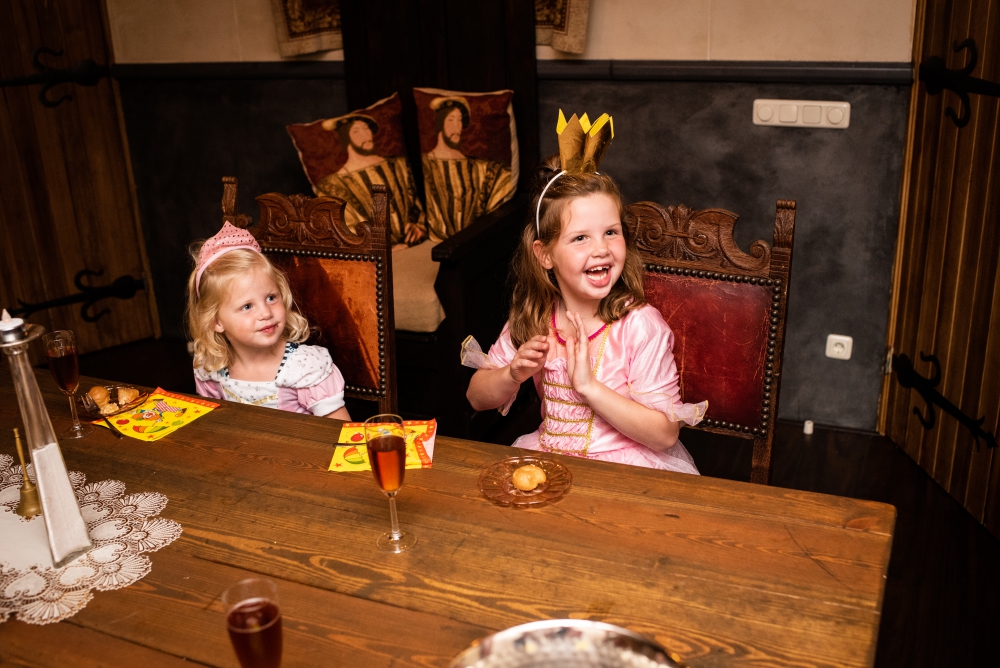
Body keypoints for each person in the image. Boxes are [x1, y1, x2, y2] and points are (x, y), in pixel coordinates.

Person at [465, 145, 706, 473]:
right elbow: (476, 398)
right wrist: (512, 373)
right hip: (550, 462)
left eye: (611, 232)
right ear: (545, 254)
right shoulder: (535, 317)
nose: (601, 249)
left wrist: (590, 388)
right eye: (581, 238)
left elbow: (665, 435)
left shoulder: (638, 326)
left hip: (626, 470)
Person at [186, 222, 351, 419]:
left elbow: (342, 431)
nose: (266, 313)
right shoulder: (211, 366)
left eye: (271, 297)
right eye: (247, 306)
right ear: (216, 322)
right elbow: (214, 424)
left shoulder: (303, 368)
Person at [316, 114, 426, 245]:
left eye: (366, 129)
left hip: (413, 244)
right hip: (373, 257)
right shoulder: (332, 185)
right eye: (356, 131)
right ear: (346, 138)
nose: (366, 135)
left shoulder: (398, 165)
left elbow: (413, 203)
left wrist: (418, 226)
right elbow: (341, 229)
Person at [422, 96, 513, 239]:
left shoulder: (478, 168)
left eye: (460, 120)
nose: (457, 127)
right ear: (440, 123)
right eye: (451, 120)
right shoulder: (427, 163)